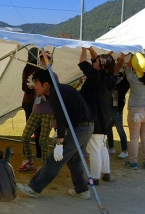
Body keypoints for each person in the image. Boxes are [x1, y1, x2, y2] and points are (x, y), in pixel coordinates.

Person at [16, 69, 95, 200]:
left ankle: (34, 188)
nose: (34, 86)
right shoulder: (56, 91)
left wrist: (59, 143)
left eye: (36, 83)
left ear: (46, 84)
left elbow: (61, 119)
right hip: (84, 127)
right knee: (74, 159)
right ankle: (82, 190)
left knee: (55, 159)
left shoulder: (56, 93)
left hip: (81, 128)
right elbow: (60, 115)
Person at [78, 47, 116, 184]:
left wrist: (83, 50)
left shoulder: (96, 77)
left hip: (95, 117)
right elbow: (95, 59)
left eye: (97, 62)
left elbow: (82, 62)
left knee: (93, 149)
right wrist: (89, 48)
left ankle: (94, 177)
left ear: (102, 66)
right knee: (101, 147)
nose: (93, 62)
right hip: (104, 117)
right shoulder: (110, 78)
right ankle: (106, 172)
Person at [18, 51, 53, 172]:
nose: (44, 62)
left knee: (43, 140)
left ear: (52, 61)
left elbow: (55, 95)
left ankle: (45, 165)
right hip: (36, 109)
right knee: (25, 136)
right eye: (42, 59)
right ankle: (29, 159)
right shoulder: (35, 74)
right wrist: (31, 86)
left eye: (47, 59)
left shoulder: (54, 76)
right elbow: (26, 89)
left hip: (48, 112)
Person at [124, 53, 145, 170]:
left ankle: (133, 162)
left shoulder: (133, 79)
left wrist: (133, 55)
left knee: (134, 138)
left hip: (135, 112)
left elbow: (128, 67)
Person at [21, 47, 43, 160]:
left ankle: (26, 152)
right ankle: (39, 153)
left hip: (26, 102)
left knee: (28, 128)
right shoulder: (39, 69)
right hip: (35, 103)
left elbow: (24, 88)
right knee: (38, 129)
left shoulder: (26, 68)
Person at [107, 59, 130, 159]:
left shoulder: (126, 80)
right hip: (108, 104)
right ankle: (111, 147)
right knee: (108, 127)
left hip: (117, 106)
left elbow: (120, 88)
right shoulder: (115, 76)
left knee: (119, 128)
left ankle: (125, 150)